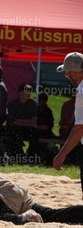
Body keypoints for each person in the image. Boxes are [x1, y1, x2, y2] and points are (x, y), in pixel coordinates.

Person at [53, 52, 83, 198]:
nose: (66, 77)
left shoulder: (81, 91)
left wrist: (61, 154)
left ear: (73, 74)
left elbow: (80, 128)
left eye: (66, 74)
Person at [6, 83, 38, 161]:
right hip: (15, 129)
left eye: (30, 91)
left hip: (27, 129)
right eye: (27, 91)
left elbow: (34, 121)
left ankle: (31, 156)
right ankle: (19, 156)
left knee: (35, 134)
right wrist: (27, 122)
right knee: (15, 133)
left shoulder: (33, 104)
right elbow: (12, 122)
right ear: (20, 92)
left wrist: (20, 121)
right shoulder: (12, 104)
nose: (29, 94)